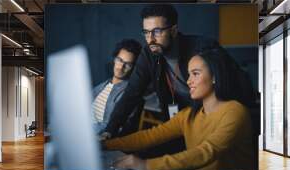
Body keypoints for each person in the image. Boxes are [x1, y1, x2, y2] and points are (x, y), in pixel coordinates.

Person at [101, 4, 255, 140]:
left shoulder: (203, 47)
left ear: (173, 30)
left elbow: (237, 82)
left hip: (214, 116)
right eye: (146, 32)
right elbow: (131, 94)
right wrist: (109, 130)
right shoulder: (149, 54)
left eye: (157, 31)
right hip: (180, 118)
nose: (151, 39)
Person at [103, 49, 255, 170]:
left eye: (195, 74)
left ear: (214, 77)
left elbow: (206, 152)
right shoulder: (189, 115)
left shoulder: (235, 111)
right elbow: (150, 136)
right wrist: (106, 144)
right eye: (189, 74)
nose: (188, 81)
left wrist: (146, 165)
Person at [92, 39, 142, 135]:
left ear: (133, 68)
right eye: (120, 60)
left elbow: (115, 128)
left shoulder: (129, 95)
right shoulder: (102, 86)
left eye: (128, 64)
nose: (121, 67)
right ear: (115, 59)